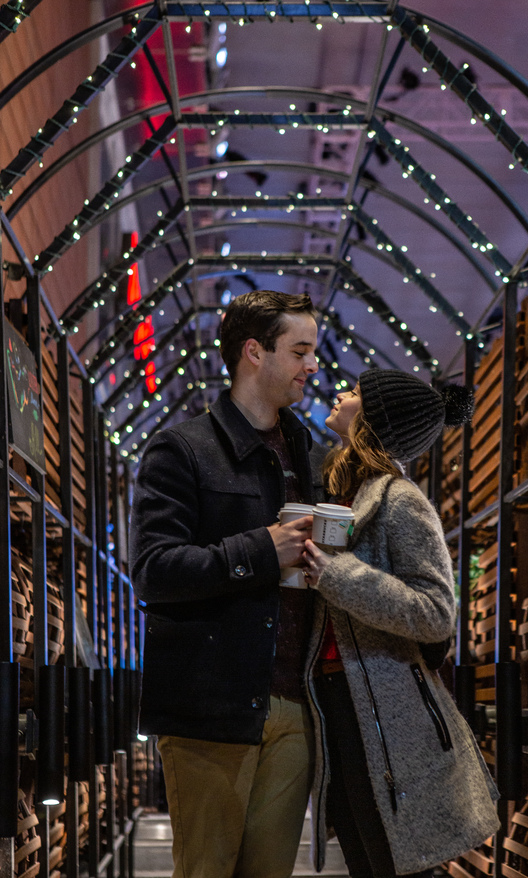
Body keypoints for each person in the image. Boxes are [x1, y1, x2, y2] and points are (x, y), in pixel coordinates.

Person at [129, 289, 328, 878]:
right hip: (210, 708)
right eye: (300, 351)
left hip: (294, 704)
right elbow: (155, 570)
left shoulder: (306, 452)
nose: (312, 365)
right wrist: (261, 548)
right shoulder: (183, 449)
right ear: (253, 353)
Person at [302, 369, 500, 878]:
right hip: (336, 699)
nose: (342, 392)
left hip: (388, 709)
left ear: (375, 418)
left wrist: (335, 574)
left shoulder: (400, 497)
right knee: (366, 857)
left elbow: (436, 612)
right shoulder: (342, 491)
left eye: (357, 392)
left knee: (396, 862)